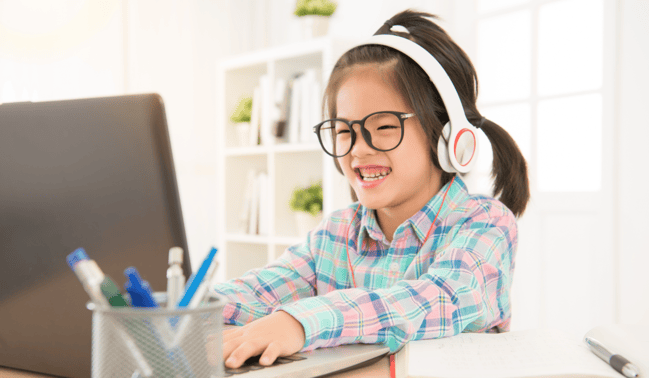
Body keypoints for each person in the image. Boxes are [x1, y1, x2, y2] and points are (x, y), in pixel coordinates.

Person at [214, 9, 530, 369]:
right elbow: (259, 291)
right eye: (345, 132)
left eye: (383, 128)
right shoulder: (335, 235)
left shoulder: (485, 223)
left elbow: (438, 298)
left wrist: (300, 322)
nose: (358, 149)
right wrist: (179, 309)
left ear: (446, 135)